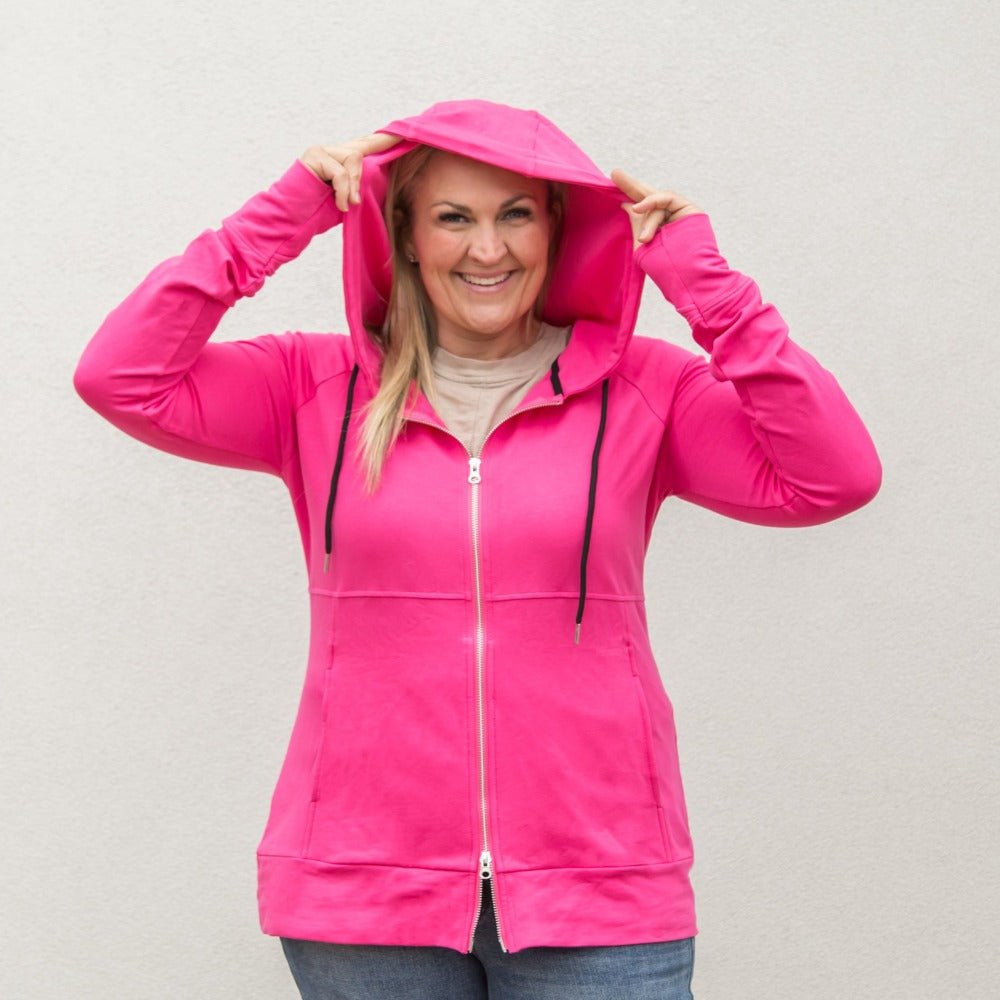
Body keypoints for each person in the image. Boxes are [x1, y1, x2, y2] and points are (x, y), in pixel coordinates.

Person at [72, 98, 882, 999]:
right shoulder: (311, 385)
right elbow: (120, 377)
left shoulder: (645, 389)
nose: (488, 249)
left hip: (599, 886)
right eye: (453, 218)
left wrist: (710, 289)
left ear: (555, 229)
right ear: (407, 237)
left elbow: (833, 477)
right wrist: (280, 217)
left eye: (515, 215)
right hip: (363, 891)